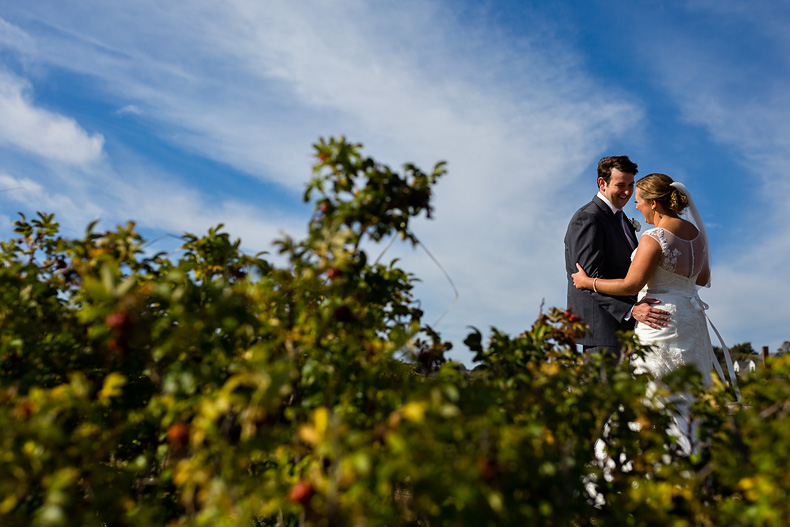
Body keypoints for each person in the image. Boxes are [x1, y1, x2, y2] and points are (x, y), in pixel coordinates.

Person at [571, 173, 739, 451]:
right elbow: (701, 278)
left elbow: (631, 285)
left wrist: (588, 282)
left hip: (659, 318)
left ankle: (647, 457)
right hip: (690, 317)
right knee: (688, 390)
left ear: (654, 203)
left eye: (639, 201)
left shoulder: (654, 237)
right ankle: (692, 450)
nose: (636, 206)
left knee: (653, 387)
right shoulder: (697, 236)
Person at [564, 156, 669, 357]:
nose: (628, 192)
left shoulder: (623, 221)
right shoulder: (587, 218)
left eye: (631, 185)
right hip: (603, 332)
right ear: (602, 183)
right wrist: (630, 310)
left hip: (628, 330)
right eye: (621, 185)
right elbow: (586, 278)